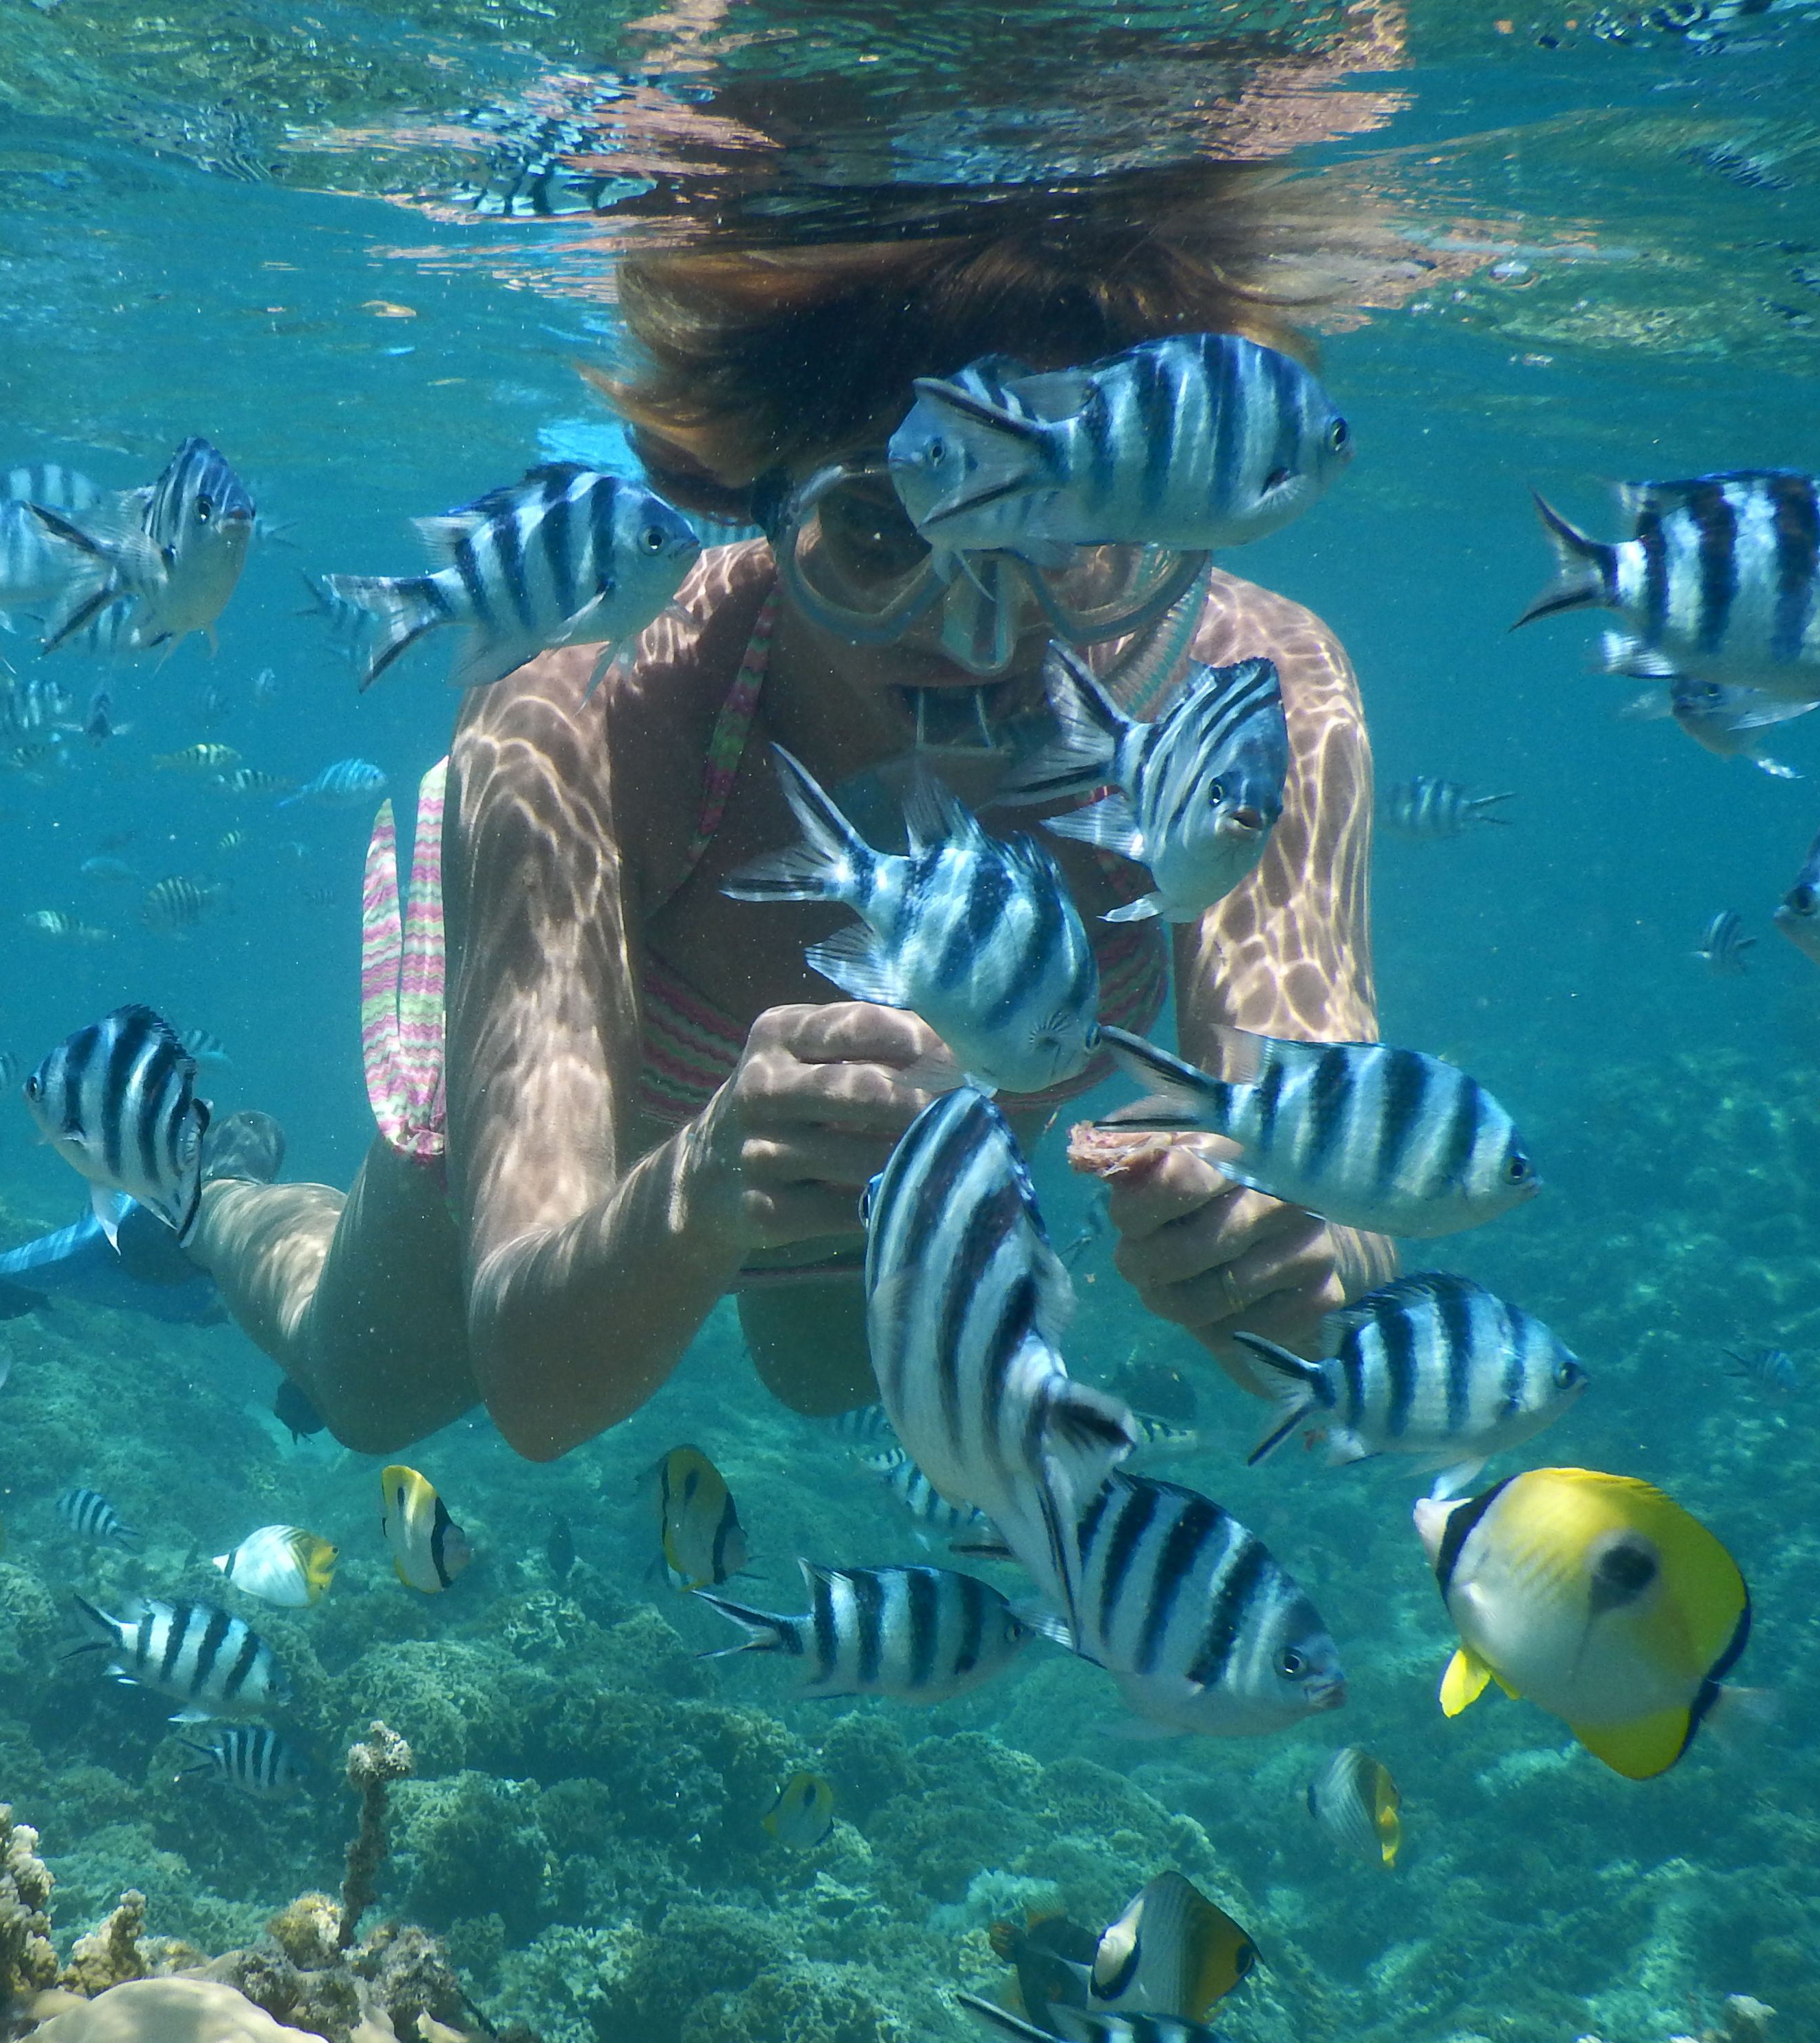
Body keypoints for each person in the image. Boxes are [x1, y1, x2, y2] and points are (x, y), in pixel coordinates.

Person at [189, 166, 1391, 1462]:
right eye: (879, 530)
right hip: (614, 1126)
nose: (977, 631)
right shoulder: (591, 712)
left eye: (1060, 522)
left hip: (868, 1168)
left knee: (828, 1378)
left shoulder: (1247, 718)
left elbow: (1348, 1173)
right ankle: (209, 1195)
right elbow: (540, 1389)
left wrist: (1298, 1253)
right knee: (376, 1390)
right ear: (757, 501)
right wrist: (705, 1190)